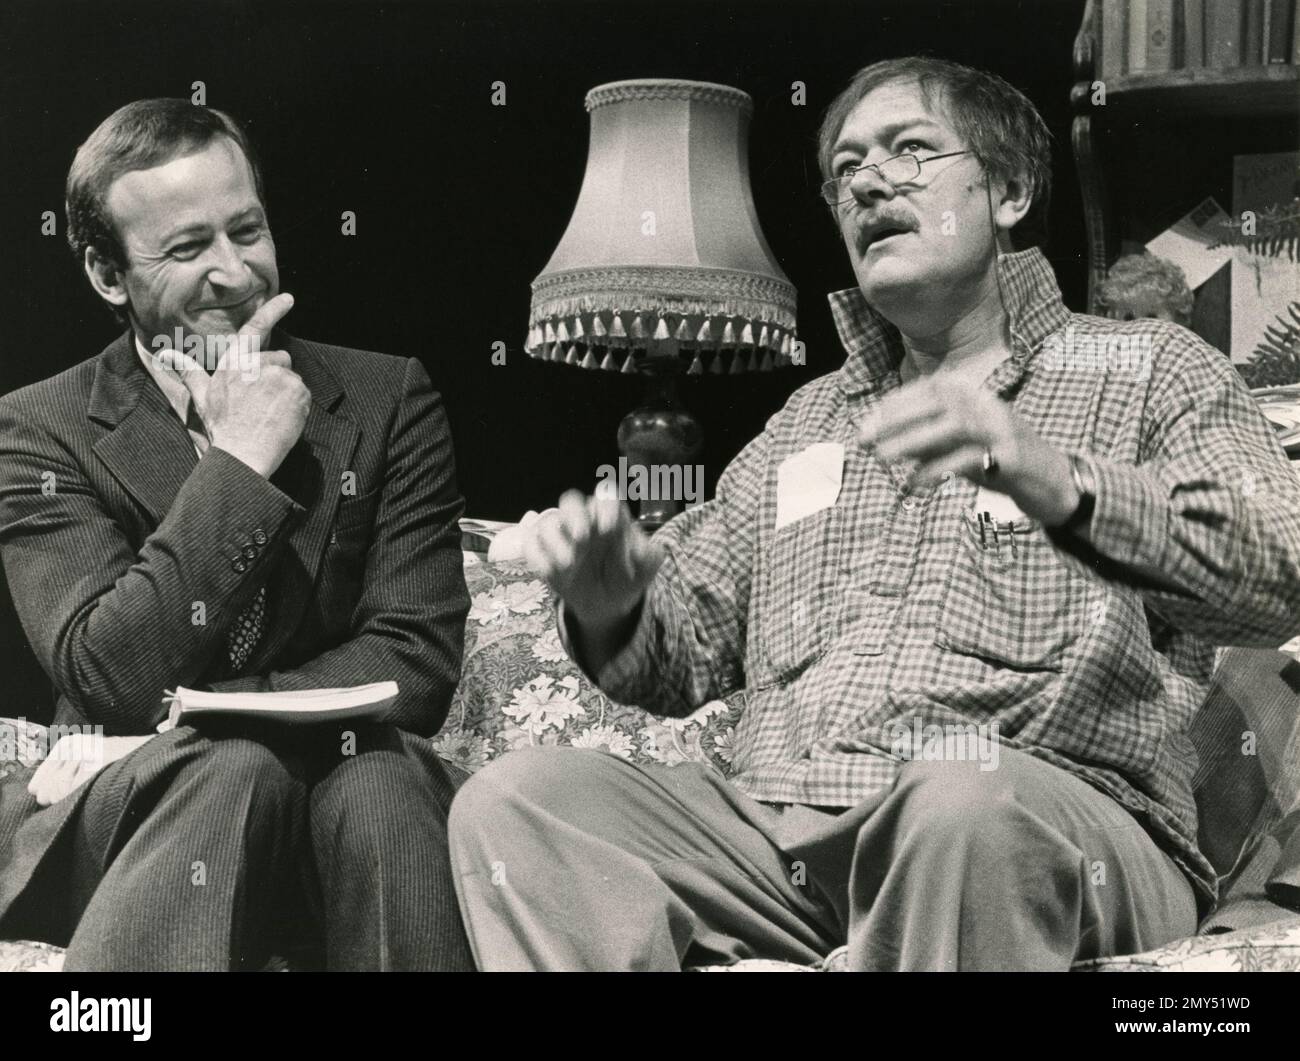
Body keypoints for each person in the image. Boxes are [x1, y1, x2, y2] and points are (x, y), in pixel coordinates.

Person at [447, 57, 1300, 971]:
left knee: (960, 798)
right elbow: (682, 653)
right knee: (521, 802)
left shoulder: (1150, 369)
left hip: (1045, 815)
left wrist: (1050, 475)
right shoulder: (805, 423)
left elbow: (1273, 574)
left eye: (910, 150)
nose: (868, 182)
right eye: (846, 167)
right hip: (783, 839)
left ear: (1008, 191)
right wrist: (607, 598)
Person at [0, 99, 473, 970]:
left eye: (246, 230)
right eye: (186, 250)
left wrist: (203, 716)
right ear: (109, 274)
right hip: (136, 817)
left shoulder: (386, 401)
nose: (236, 272)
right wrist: (244, 462)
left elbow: (415, 657)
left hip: (345, 810)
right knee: (232, 771)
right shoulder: (39, 429)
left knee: (381, 781)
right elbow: (110, 668)